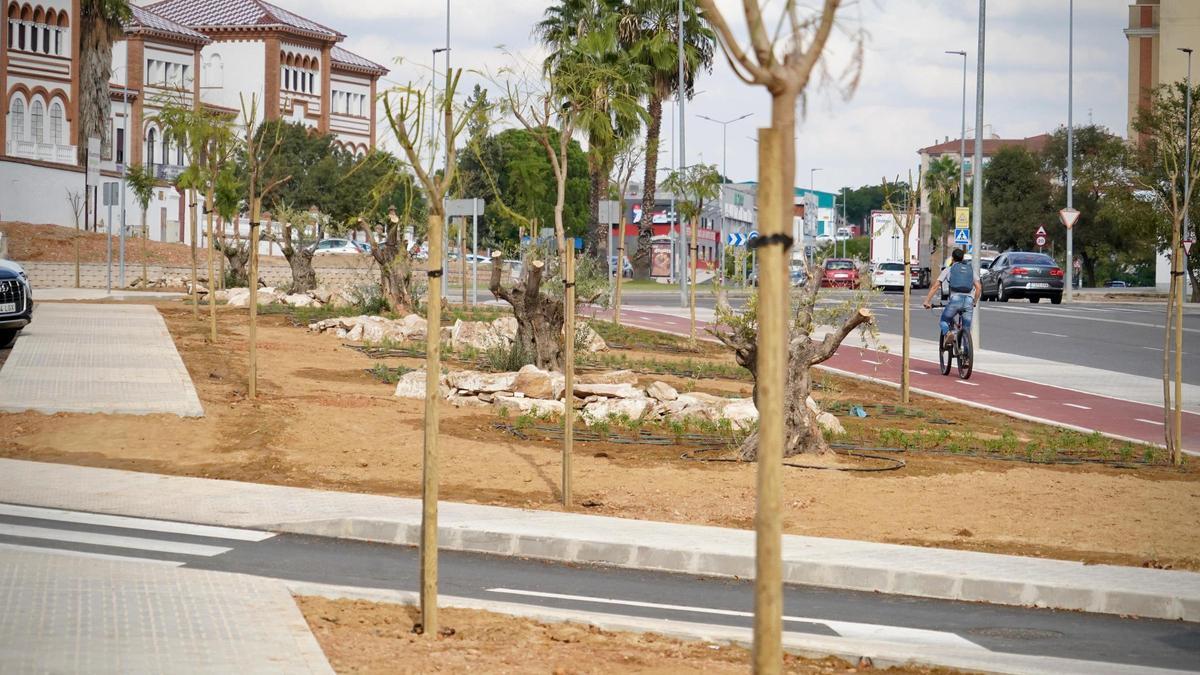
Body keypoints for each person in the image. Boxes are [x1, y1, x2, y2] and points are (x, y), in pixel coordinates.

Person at [923, 248, 981, 348]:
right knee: (966, 328)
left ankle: (948, 333)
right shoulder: (970, 270)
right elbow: (979, 287)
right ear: (963, 258)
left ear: (952, 259)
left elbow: (935, 286)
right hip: (968, 301)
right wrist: (974, 301)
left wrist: (927, 301)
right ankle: (967, 358)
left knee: (944, 320)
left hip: (955, 300)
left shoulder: (948, 269)